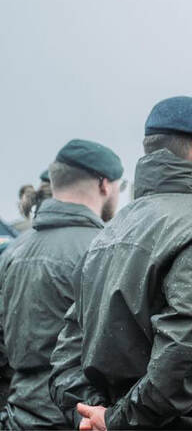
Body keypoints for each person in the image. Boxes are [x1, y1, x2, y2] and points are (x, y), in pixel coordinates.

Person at [50, 97, 192, 430]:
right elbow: (186, 345)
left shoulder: (113, 228)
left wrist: (93, 414)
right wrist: (118, 420)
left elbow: (67, 349)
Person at [0, 140, 123, 429]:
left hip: (19, 415)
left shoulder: (14, 251)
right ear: (104, 184)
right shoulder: (105, 248)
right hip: (79, 417)